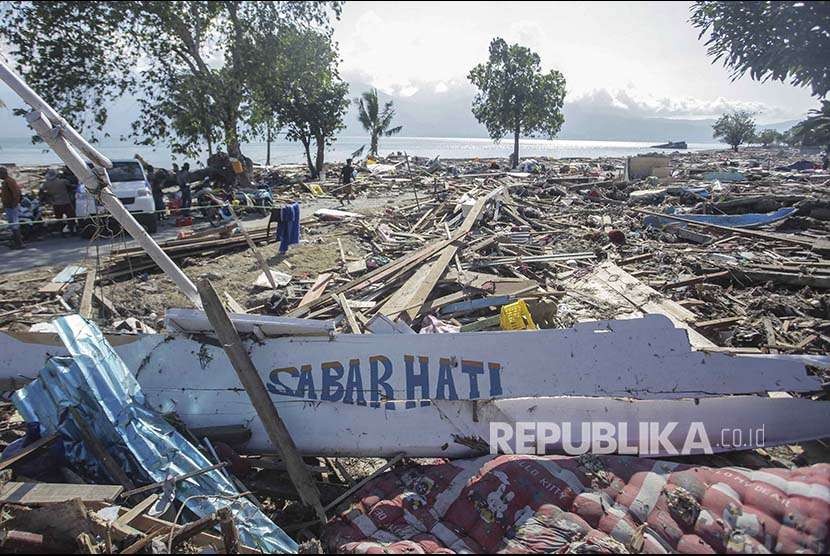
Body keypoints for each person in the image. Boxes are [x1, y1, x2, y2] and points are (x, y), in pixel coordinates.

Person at [42, 168, 76, 235]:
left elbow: (43, 192)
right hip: (65, 202)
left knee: (59, 219)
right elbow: (71, 186)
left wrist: (49, 198)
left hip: (55, 203)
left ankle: (61, 232)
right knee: (71, 217)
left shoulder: (46, 184)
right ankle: (71, 231)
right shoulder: (63, 181)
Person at [1, 167, 23, 249]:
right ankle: (16, 243)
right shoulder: (5, 182)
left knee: (14, 225)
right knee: (12, 225)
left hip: (11, 207)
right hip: (8, 206)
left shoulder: (9, 181)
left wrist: (14, 204)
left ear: (3, 173)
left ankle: (19, 244)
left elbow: (16, 193)